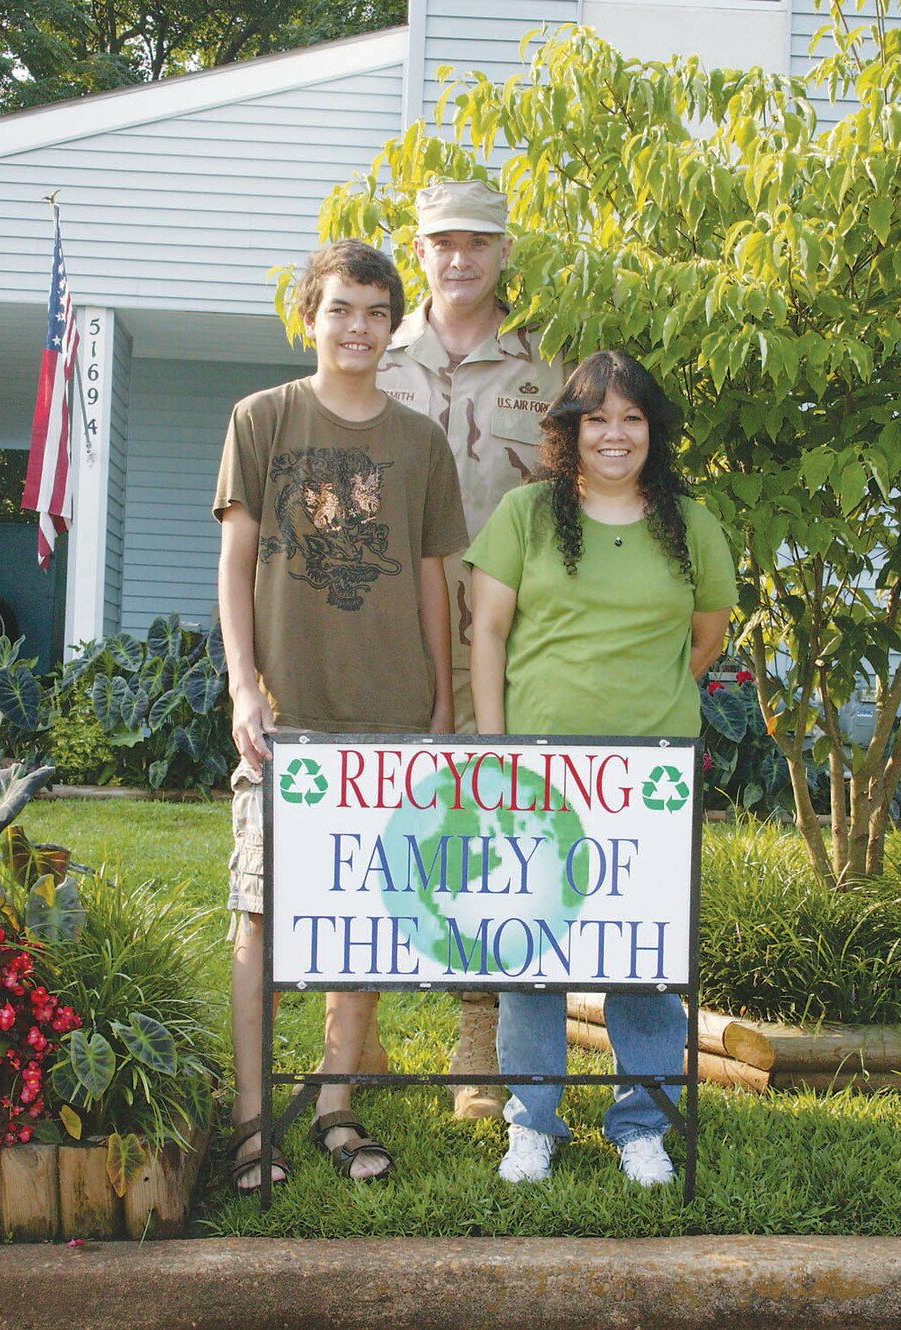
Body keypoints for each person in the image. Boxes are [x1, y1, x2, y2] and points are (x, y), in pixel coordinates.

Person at [213, 239, 467, 1190]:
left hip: (393, 716)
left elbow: (436, 579)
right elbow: (235, 567)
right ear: (310, 316)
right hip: (288, 717)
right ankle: (250, 1125)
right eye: (340, 309)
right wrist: (246, 686)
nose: (357, 328)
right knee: (263, 916)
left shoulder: (420, 442)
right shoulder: (263, 419)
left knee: (363, 918)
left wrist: (442, 703)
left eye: (374, 312)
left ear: (392, 323)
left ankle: (335, 1105)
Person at [463, 350, 735, 1187]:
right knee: (531, 952)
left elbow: (707, 637)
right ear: (569, 430)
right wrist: (500, 754)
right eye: (597, 418)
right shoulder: (525, 515)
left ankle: (641, 1124)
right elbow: (489, 637)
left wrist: (644, 709)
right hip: (538, 773)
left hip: (651, 781)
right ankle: (533, 1123)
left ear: (654, 431)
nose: (614, 435)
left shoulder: (690, 524)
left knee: (642, 957)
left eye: (632, 418)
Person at [377, 178, 565, 1120]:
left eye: (478, 243)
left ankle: (481, 1033)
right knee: (369, 811)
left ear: (503, 254)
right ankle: (354, 1026)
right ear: (420, 250)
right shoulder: (376, 352)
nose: (460, 258)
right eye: (443, 241)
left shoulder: (548, 372)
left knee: (487, 825)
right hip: (379, 629)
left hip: (501, 637)